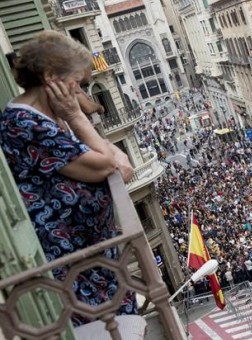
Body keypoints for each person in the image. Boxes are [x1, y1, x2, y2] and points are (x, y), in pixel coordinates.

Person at [0, 30, 135, 326]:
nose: (80, 93)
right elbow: (103, 164)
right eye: (78, 82)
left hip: (90, 259)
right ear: (51, 76)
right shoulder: (25, 123)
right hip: (73, 266)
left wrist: (112, 153)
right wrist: (76, 116)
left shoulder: (48, 114)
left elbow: (107, 154)